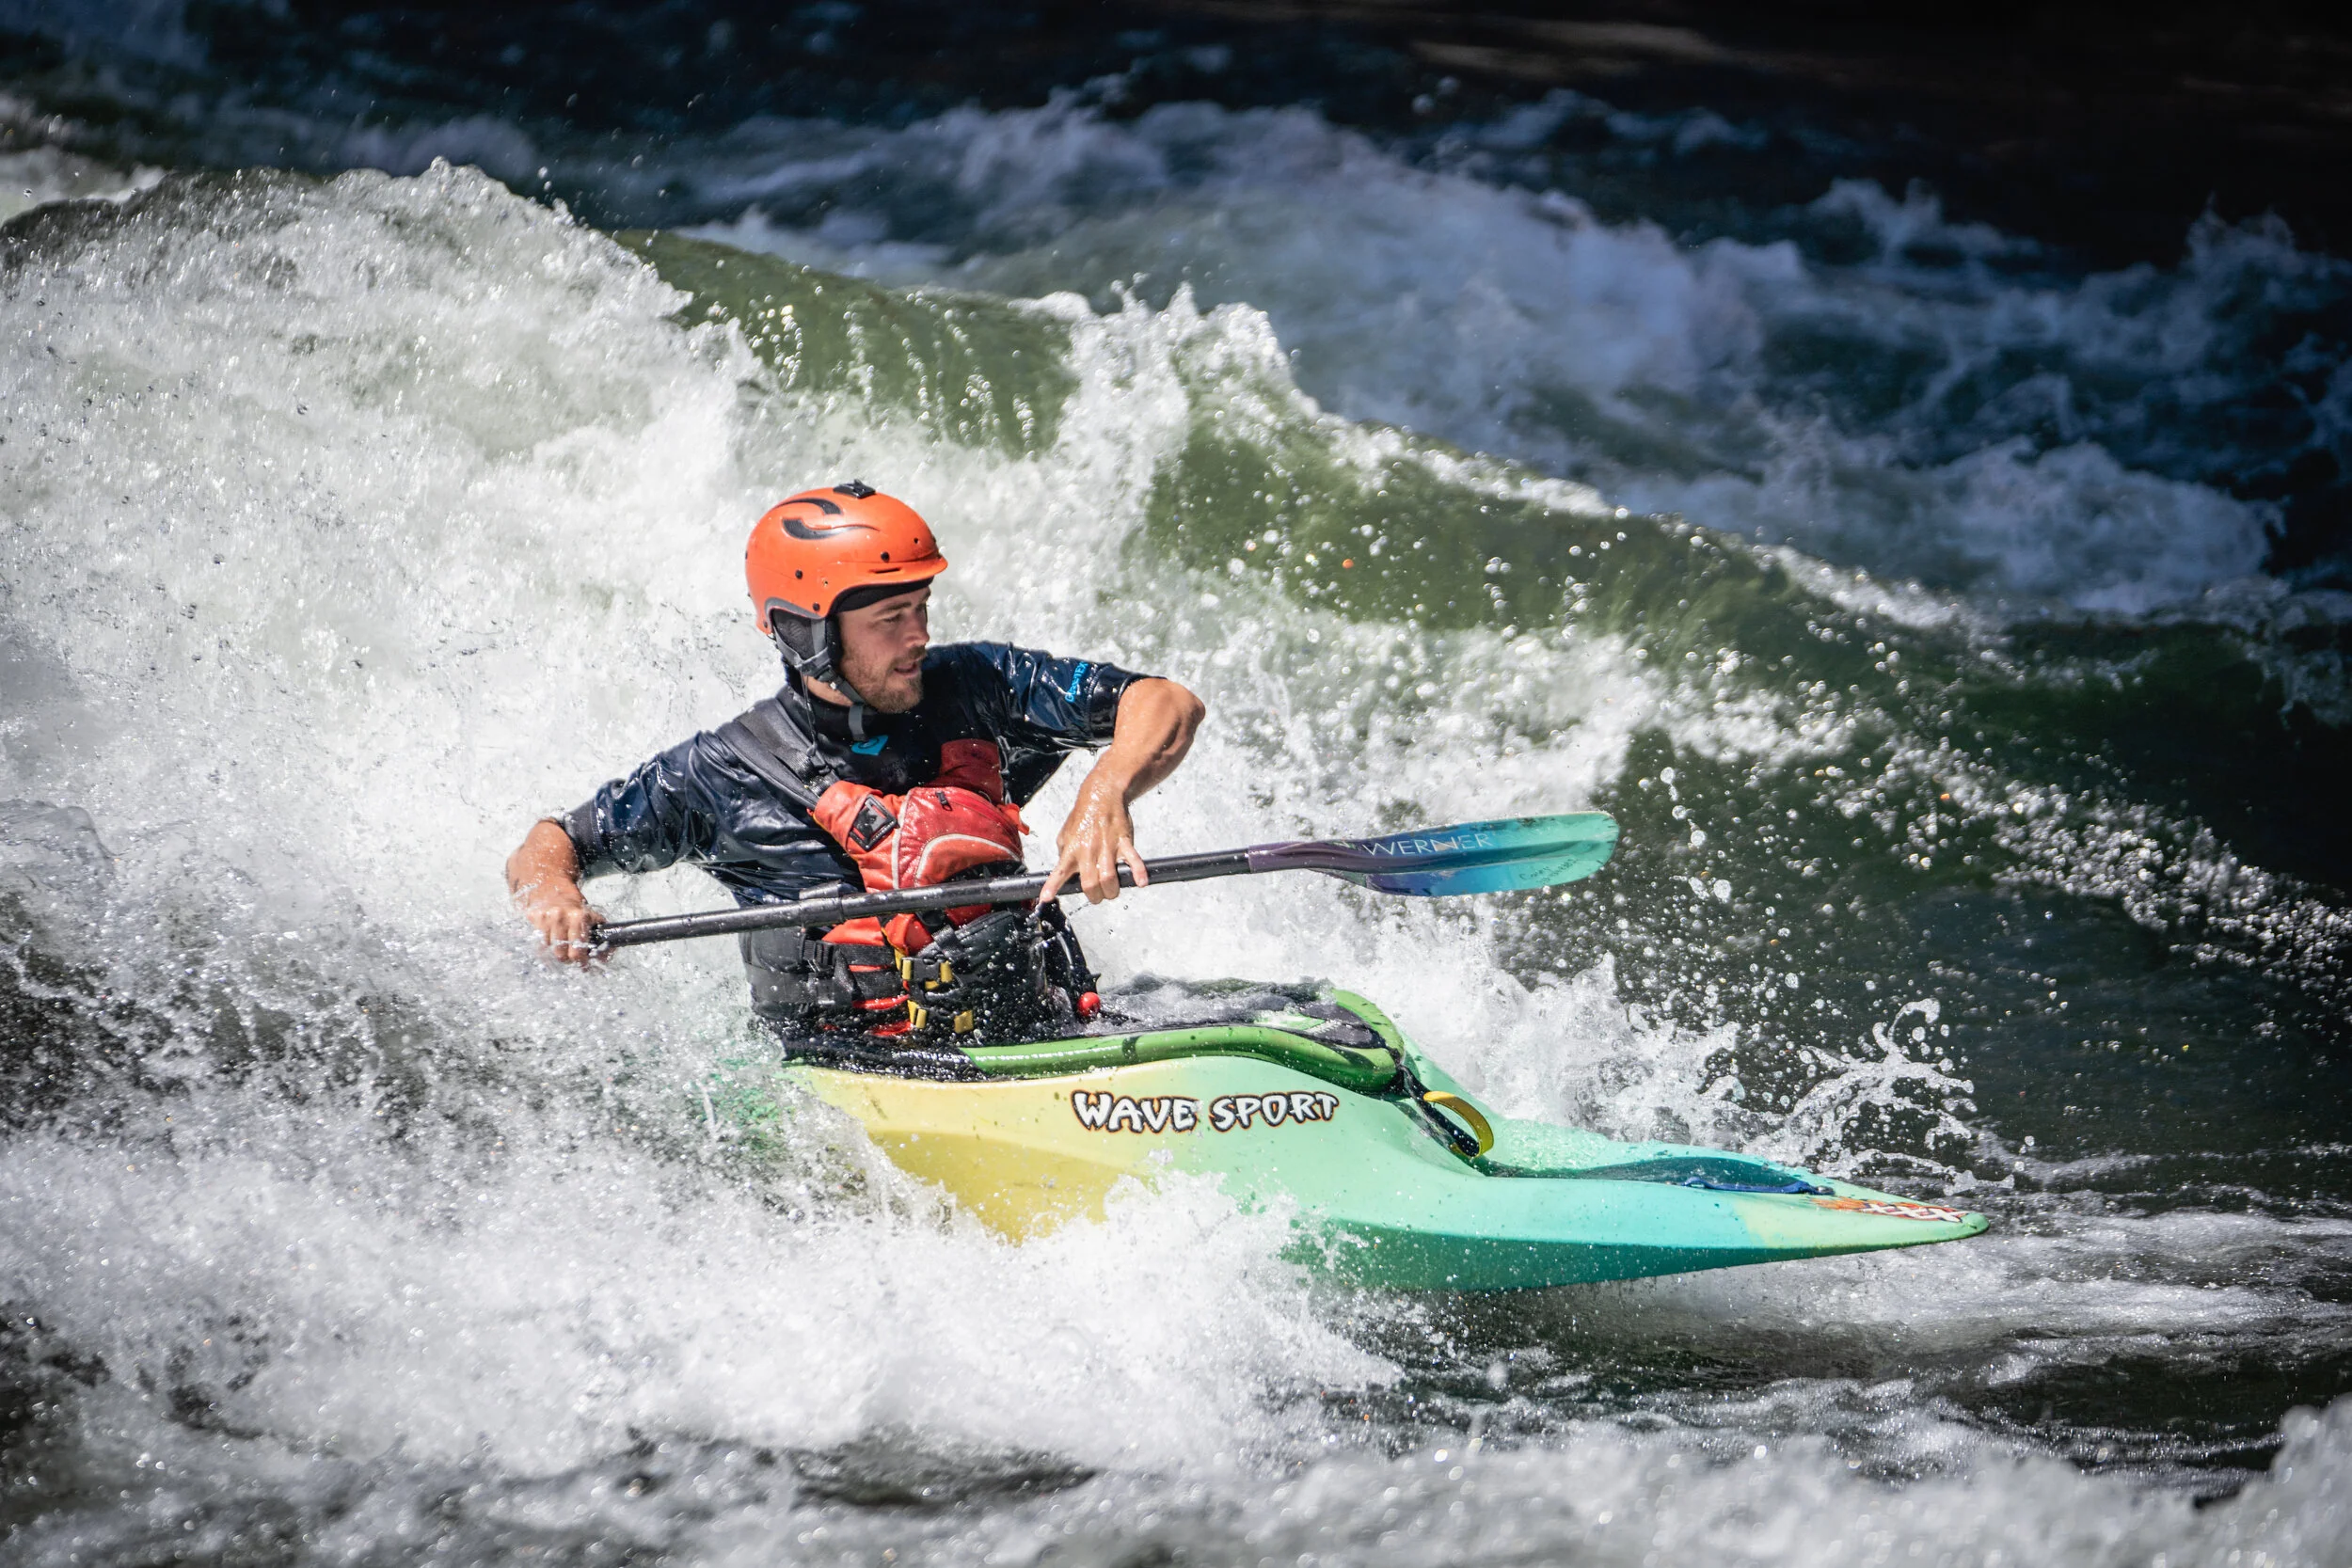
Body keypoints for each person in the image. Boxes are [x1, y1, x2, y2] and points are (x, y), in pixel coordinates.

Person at [505, 482, 1205, 1044]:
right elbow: (549, 848)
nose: (919, 637)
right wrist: (555, 897)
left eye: (922, 607)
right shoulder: (720, 775)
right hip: (859, 1081)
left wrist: (1106, 788)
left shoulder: (982, 685)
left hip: (1036, 1038)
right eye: (890, 618)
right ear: (805, 633)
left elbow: (1165, 701)